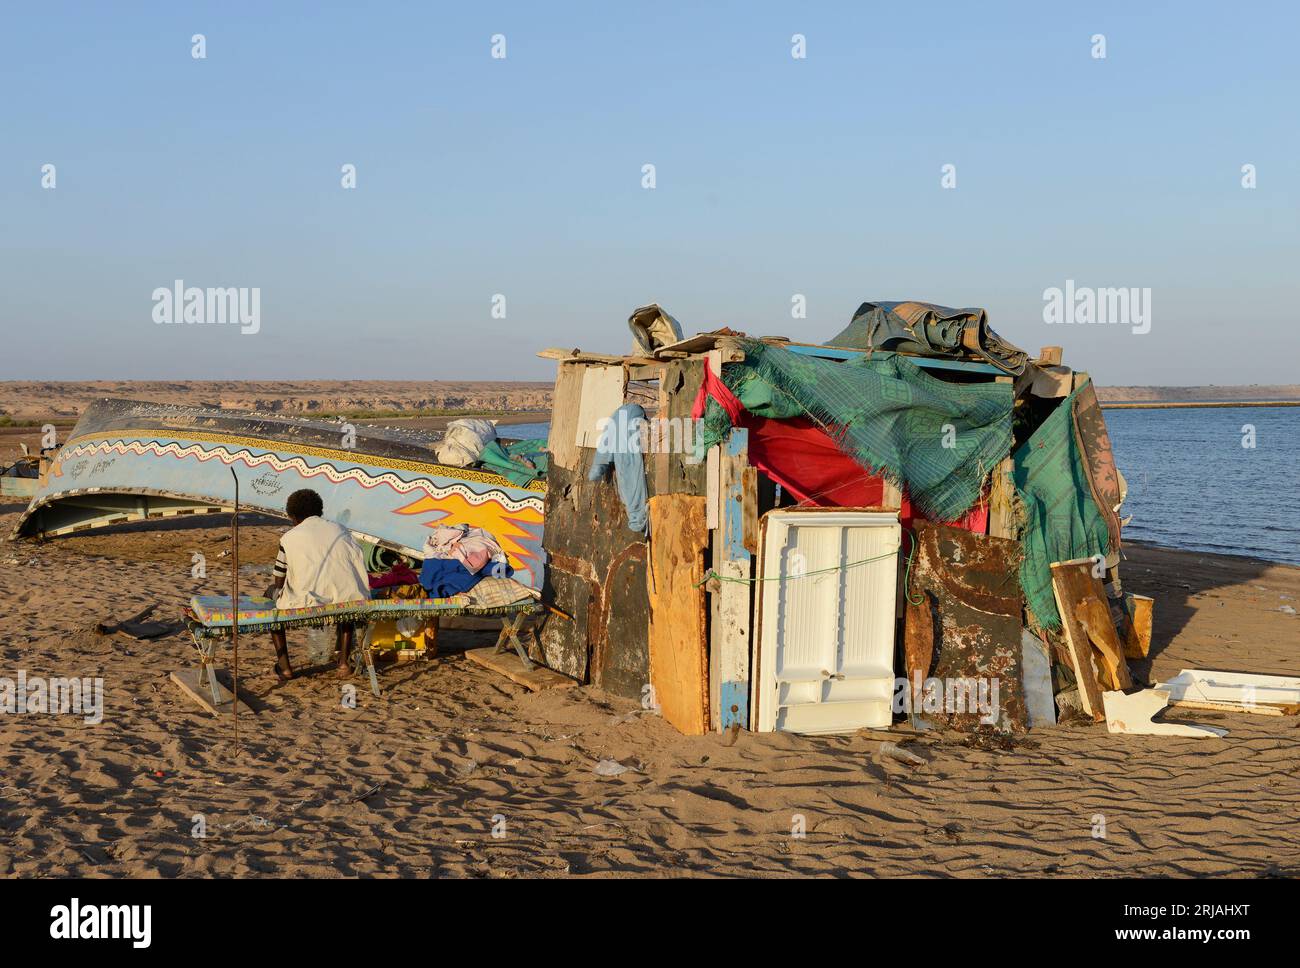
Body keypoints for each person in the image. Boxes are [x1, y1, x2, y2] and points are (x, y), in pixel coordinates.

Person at [268, 489, 370, 681]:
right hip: (350, 599)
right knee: (344, 602)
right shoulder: (341, 530)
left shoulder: (289, 537)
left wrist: (277, 591)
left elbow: (279, 580)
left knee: (271, 605)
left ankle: (285, 668)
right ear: (319, 510)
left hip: (304, 603)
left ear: (293, 516)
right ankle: (343, 663)